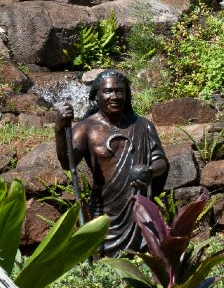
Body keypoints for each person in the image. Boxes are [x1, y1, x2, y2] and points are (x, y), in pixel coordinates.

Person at [55, 70, 168, 257]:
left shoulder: (143, 126)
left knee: (143, 261)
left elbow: (160, 161)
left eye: (119, 91)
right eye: (108, 91)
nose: (114, 96)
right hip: (104, 212)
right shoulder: (85, 128)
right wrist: (59, 131)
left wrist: (149, 170)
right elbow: (68, 163)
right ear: (96, 96)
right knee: (103, 265)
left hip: (138, 210)